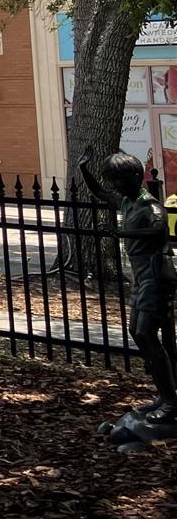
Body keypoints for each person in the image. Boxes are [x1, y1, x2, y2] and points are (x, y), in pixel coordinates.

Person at [80, 152, 177, 423]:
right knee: (138, 332)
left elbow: (158, 232)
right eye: (113, 181)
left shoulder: (151, 206)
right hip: (140, 273)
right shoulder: (126, 201)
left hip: (156, 272)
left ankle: (171, 401)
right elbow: (99, 192)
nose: (115, 186)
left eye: (119, 180)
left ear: (135, 177)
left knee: (147, 334)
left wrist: (121, 234)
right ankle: (166, 394)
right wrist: (84, 169)